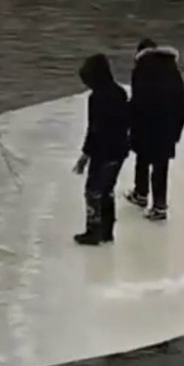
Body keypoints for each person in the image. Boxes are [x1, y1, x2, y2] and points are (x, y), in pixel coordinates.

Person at [127, 38, 184, 221]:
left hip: (147, 123)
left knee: (143, 158)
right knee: (161, 166)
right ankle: (159, 205)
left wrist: (130, 123)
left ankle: (141, 194)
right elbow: (182, 102)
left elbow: (139, 100)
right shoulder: (171, 68)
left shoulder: (141, 68)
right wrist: (177, 129)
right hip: (168, 125)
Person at [72, 53, 131, 246]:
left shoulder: (96, 98)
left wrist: (85, 155)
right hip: (119, 149)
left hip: (102, 151)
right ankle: (107, 230)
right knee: (108, 190)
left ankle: (93, 231)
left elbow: (94, 128)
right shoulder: (120, 93)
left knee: (93, 191)